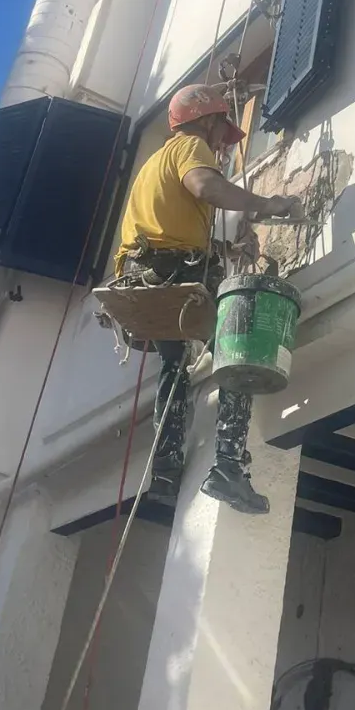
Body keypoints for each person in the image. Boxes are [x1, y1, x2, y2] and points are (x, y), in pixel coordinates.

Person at [115, 83, 300, 515]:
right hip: (171, 274)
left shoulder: (151, 167)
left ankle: (164, 468)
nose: (223, 145)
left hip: (146, 279)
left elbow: (166, 231)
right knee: (238, 351)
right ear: (206, 119)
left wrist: (225, 252)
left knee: (175, 364)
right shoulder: (189, 147)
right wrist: (269, 204)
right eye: (223, 131)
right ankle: (228, 467)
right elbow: (206, 187)